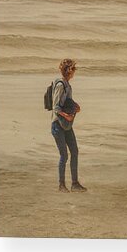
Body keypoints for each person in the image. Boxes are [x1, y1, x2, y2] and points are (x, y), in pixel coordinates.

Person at [51, 58, 87, 193]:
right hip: (57, 125)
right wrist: (68, 115)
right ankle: (61, 185)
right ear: (69, 70)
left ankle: (75, 183)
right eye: (73, 70)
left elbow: (67, 102)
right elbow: (56, 107)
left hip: (66, 125)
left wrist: (75, 106)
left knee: (75, 151)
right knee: (64, 155)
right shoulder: (60, 85)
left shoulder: (68, 85)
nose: (74, 72)